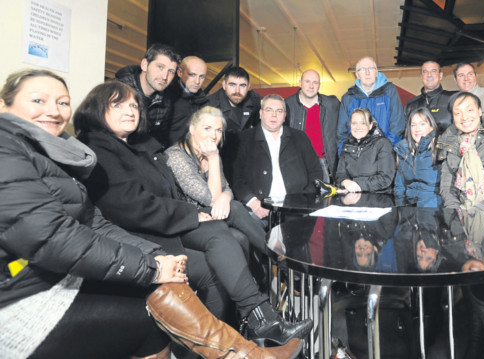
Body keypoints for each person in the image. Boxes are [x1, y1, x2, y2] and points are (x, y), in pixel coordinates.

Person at [0, 69, 302, 359]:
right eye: (38, 100)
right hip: (33, 286)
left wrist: (154, 257)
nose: (52, 110)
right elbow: (99, 219)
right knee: (214, 246)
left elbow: (92, 221)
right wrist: (153, 264)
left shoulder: (70, 150)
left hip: (100, 250)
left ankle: (257, 325)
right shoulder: (81, 149)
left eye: (62, 102)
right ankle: (259, 321)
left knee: (228, 231)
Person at [74, 81, 313, 346]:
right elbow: (134, 204)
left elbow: (225, 190)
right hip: (143, 232)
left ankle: (260, 317)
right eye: (118, 104)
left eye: (133, 105)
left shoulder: (136, 145)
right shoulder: (103, 147)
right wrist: (195, 210)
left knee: (225, 233)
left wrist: (215, 183)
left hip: (169, 220)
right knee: (225, 237)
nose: (130, 110)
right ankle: (261, 307)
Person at [166, 105, 267, 254]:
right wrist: (213, 158)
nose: (213, 136)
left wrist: (225, 198)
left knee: (241, 237)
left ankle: (264, 269)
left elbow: (226, 188)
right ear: (192, 129)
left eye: (218, 130)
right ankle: (278, 255)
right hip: (189, 220)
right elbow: (211, 200)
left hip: (214, 215)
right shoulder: (176, 157)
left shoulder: (210, 152)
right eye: (207, 128)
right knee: (237, 210)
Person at [233, 94, 323, 221]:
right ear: (260, 113)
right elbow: (236, 177)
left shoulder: (300, 137)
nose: (274, 115)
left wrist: (304, 199)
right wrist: (253, 203)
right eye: (269, 110)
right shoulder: (244, 139)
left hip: (296, 209)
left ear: (285, 115)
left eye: (279, 111)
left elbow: (316, 172)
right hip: (257, 209)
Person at [115, 43, 180, 147]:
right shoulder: (117, 92)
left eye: (171, 71)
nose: (165, 76)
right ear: (145, 65)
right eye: (160, 67)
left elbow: (159, 140)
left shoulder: (166, 102)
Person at [207, 66, 261, 184]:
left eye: (242, 85)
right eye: (232, 85)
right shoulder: (210, 105)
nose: (237, 90)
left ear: (248, 87)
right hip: (219, 158)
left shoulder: (254, 100)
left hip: (244, 159)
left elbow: (259, 129)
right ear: (224, 85)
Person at [337, 56, 405, 150]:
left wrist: (385, 150)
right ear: (357, 74)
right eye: (363, 69)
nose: (367, 72)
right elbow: (342, 132)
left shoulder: (389, 92)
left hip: (384, 154)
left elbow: (397, 125)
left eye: (371, 68)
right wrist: (345, 154)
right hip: (357, 157)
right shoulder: (348, 98)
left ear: (376, 72)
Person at [285, 69, 340, 182]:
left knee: (326, 198)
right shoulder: (287, 105)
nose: (311, 86)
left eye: (315, 82)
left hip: (323, 163)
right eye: (307, 81)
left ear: (319, 85)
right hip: (297, 164)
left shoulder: (332, 104)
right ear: (300, 83)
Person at [336, 108, 396, 194]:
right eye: (354, 123)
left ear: (370, 125)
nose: (358, 127)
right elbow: (340, 175)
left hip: (378, 197)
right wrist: (345, 182)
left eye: (363, 123)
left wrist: (356, 184)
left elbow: (385, 179)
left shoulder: (383, 144)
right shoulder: (346, 145)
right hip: (352, 196)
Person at [393, 107, 441, 207]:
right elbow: (399, 187)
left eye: (422, 124)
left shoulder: (440, 149)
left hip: (433, 210)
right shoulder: (403, 150)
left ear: (432, 127)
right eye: (413, 125)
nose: (417, 129)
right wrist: (401, 210)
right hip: (409, 211)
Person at [403, 60, 456, 134]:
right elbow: (406, 134)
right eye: (425, 71)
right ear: (421, 77)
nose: (429, 75)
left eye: (433, 71)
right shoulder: (410, 105)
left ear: (440, 75)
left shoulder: (453, 99)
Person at [166, 55, 209, 146]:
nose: (197, 81)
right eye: (192, 75)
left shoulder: (203, 102)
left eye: (201, 77)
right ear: (180, 72)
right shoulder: (166, 98)